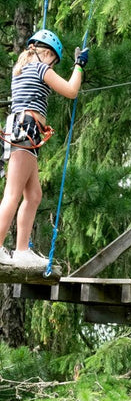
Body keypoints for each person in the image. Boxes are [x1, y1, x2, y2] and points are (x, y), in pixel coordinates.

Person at [0, 29, 86, 271]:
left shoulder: (21, 70)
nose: (53, 66)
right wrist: (79, 66)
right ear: (47, 54)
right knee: (13, 194)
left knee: (33, 195)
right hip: (25, 131)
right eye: (53, 62)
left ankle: (22, 251)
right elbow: (71, 90)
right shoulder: (40, 68)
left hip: (26, 132)